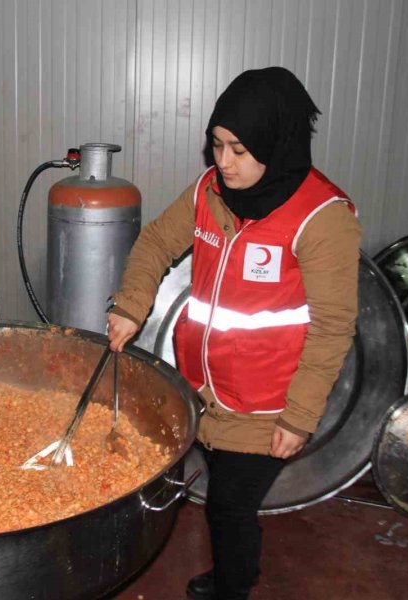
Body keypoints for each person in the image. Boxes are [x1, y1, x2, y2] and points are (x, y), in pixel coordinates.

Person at [107, 66, 361, 600]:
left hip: (268, 400)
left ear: (277, 141)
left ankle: (233, 588)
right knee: (224, 495)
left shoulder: (322, 218)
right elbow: (155, 242)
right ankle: (232, 575)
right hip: (204, 386)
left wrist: (300, 417)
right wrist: (132, 305)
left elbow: (334, 327)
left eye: (240, 150)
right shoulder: (209, 191)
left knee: (228, 506)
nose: (223, 163)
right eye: (217, 145)